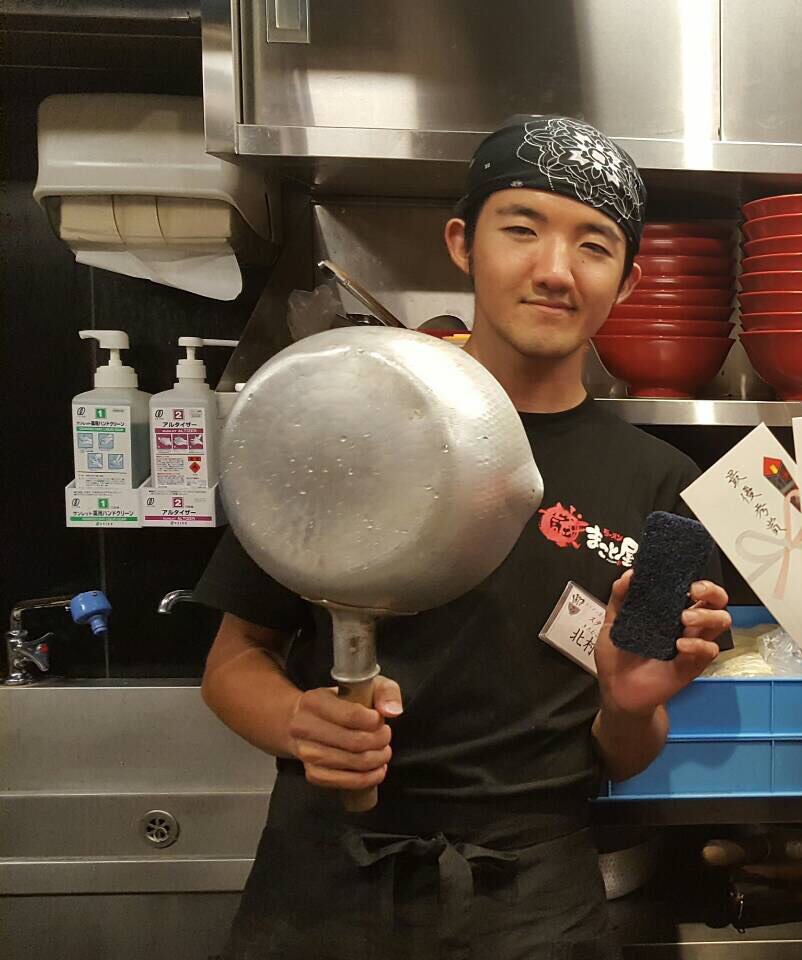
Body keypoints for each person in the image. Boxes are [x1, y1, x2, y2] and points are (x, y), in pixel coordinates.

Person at [197, 116, 730, 960]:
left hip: (535, 897)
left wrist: (630, 706)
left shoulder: (662, 489)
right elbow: (233, 662)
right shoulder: (352, 420)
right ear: (462, 244)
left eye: (593, 245)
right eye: (521, 229)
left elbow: (625, 750)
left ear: (627, 282)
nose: (554, 270)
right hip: (324, 883)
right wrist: (301, 721)